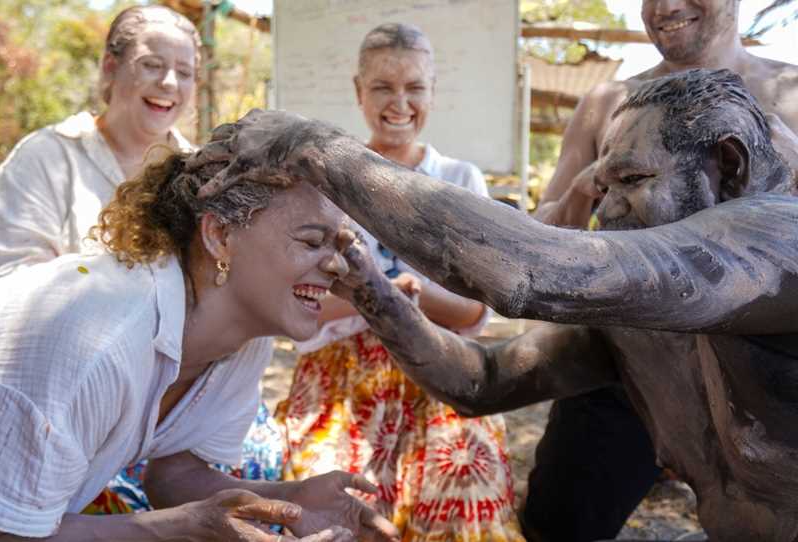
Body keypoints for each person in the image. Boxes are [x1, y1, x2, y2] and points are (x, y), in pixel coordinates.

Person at [199, 67, 798, 541]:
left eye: (634, 181)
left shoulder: (776, 239)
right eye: (603, 187)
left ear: (728, 167)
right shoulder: (640, 322)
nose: (608, 211)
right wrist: (372, 292)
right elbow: (483, 380)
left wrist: (309, 146)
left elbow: (527, 271)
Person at [0, 130, 402, 541]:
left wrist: (289, 499)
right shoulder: (90, 340)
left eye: (340, 246)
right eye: (311, 241)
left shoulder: (243, 336)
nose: (339, 266)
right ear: (220, 236)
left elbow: (173, 472)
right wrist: (182, 526)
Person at [527, 0, 798, 539]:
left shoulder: (792, 98)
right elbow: (544, 238)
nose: (666, 6)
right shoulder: (607, 103)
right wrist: (590, 186)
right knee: (557, 525)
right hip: (627, 363)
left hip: (762, 384)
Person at [274, 24, 520, 541]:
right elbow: (299, 309)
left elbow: (476, 313)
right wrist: (375, 299)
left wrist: (416, 296)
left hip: (439, 368)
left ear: (432, 92)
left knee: (462, 470)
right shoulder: (322, 183)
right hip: (339, 375)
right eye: (383, 87)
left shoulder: (459, 181)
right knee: (335, 503)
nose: (399, 103)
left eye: (415, 88)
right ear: (358, 91)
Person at [0, 5, 197, 283]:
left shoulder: (202, 175)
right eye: (152, 65)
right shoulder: (44, 158)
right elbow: (5, 281)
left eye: (185, 72)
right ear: (110, 66)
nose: (169, 82)